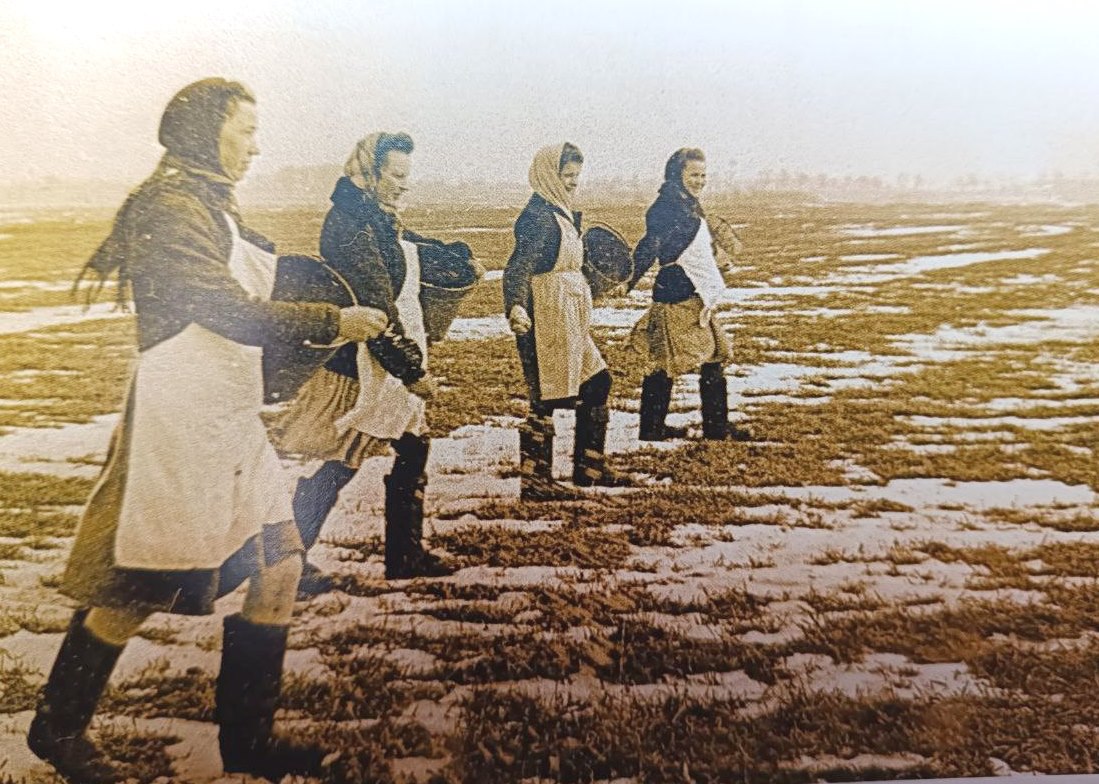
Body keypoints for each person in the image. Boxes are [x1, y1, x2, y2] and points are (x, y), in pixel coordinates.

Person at [28, 78, 388, 783]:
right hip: (180, 419)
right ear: (204, 133)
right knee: (137, 586)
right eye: (244, 130)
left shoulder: (211, 203)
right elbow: (223, 308)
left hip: (228, 415)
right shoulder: (172, 207)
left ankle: (249, 746)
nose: (255, 146)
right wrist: (331, 320)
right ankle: (57, 728)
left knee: (280, 567)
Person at [269, 131, 456, 591]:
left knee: (406, 446)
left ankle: (402, 556)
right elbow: (376, 306)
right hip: (361, 362)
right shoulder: (351, 224)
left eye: (407, 175)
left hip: (378, 356)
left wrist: (454, 255)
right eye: (395, 174)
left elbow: (405, 249)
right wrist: (412, 372)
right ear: (370, 172)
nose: (403, 184)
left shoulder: (374, 216)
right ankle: (286, 563)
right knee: (341, 460)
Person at [503, 143, 631, 501]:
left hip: (568, 312)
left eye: (576, 175)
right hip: (546, 312)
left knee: (598, 381)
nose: (573, 182)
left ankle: (590, 467)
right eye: (566, 175)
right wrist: (516, 306)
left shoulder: (560, 211)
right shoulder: (537, 217)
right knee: (545, 395)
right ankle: (535, 481)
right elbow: (518, 267)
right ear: (548, 175)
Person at [628, 147, 749, 442]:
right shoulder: (664, 208)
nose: (700, 181)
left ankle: (699, 428)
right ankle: (664, 429)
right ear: (676, 174)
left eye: (703, 175)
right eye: (694, 175)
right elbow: (649, 246)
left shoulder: (688, 204)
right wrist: (628, 280)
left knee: (709, 356)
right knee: (667, 362)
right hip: (676, 294)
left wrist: (717, 259)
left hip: (694, 293)